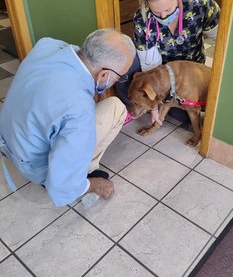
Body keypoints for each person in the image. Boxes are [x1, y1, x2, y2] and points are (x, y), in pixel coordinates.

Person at [0, 28, 135, 207]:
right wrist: (93, 184)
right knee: (117, 107)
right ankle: (86, 171)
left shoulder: (46, 45)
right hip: (36, 168)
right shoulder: (79, 110)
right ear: (104, 75)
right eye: (120, 76)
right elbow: (62, 187)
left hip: (12, 143)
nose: (119, 80)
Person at [115, 0, 220, 122]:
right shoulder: (142, 18)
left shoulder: (199, 2)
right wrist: (154, 106)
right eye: (156, 11)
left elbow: (222, 40)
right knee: (125, 77)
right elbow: (151, 67)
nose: (163, 16)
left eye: (168, 10)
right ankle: (144, 105)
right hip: (161, 77)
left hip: (190, 75)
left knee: (186, 114)